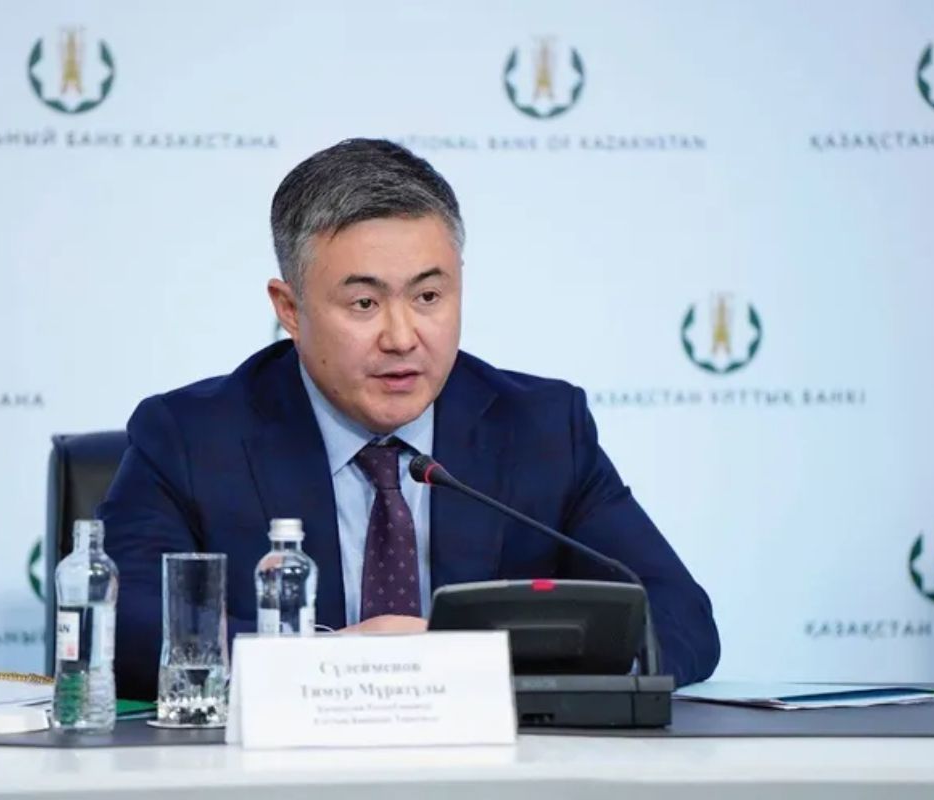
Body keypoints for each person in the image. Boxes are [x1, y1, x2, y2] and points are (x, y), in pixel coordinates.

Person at [99, 138, 719, 699]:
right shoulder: (191, 436)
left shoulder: (541, 428)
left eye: (428, 296)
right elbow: (122, 623)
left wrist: (468, 667)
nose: (402, 337)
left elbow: (678, 617)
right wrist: (330, 662)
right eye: (364, 303)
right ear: (289, 309)